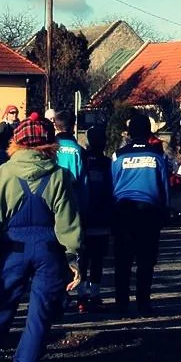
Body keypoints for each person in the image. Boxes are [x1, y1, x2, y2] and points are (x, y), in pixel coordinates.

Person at [0, 116, 82, 362]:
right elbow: (68, 221)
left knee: (0, 308)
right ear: (49, 143)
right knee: (40, 316)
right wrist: (73, 257)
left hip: (12, 248)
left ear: (16, 142)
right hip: (48, 249)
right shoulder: (59, 175)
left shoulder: (5, 172)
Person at [110, 111, 171, 315]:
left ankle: (121, 305)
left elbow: (112, 183)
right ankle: (144, 304)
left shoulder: (118, 155)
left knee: (123, 261)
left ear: (129, 133)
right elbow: (164, 186)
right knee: (146, 261)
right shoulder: (158, 156)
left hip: (123, 210)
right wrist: (165, 211)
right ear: (148, 132)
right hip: (149, 212)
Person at [77, 125, 113, 313]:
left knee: (82, 259)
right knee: (97, 259)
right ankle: (95, 294)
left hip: (83, 217)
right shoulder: (108, 163)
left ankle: (81, 296)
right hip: (102, 217)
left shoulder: (82, 160)